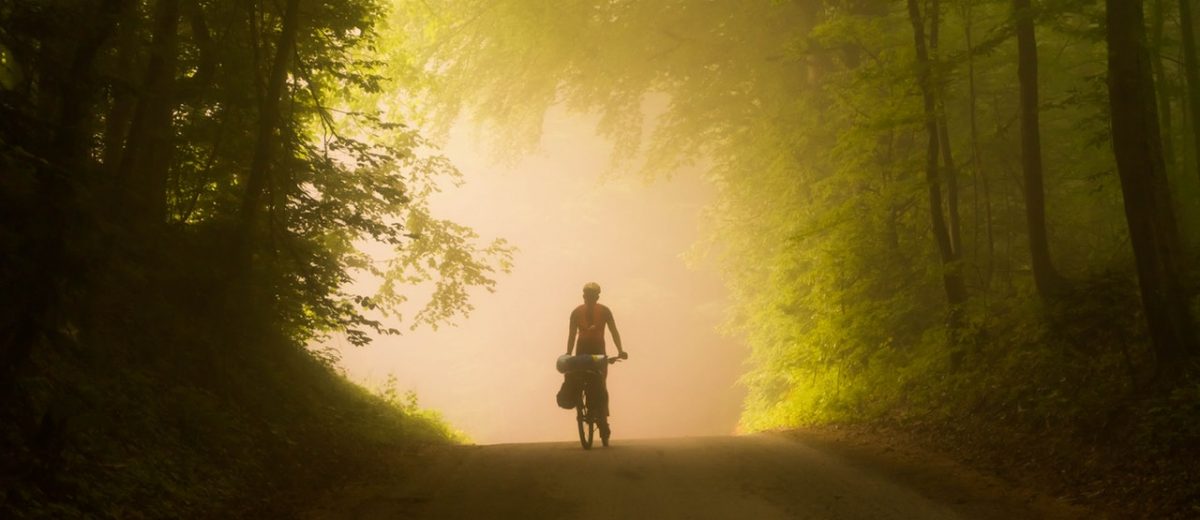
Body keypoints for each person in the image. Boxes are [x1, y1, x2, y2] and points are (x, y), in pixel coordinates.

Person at [566, 282, 627, 445]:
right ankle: (585, 408)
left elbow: (614, 331)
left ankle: (601, 418)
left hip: (595, 353)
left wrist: (621, 349)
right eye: (587, 296)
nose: (589, 298)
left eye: (591, 296)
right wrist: (568, 353)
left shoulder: (603, 311)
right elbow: (572, 334)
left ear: (596, 297)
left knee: (600, 385)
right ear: (584, 296)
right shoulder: (579, 312)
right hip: (586, 352)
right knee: (586, 382)